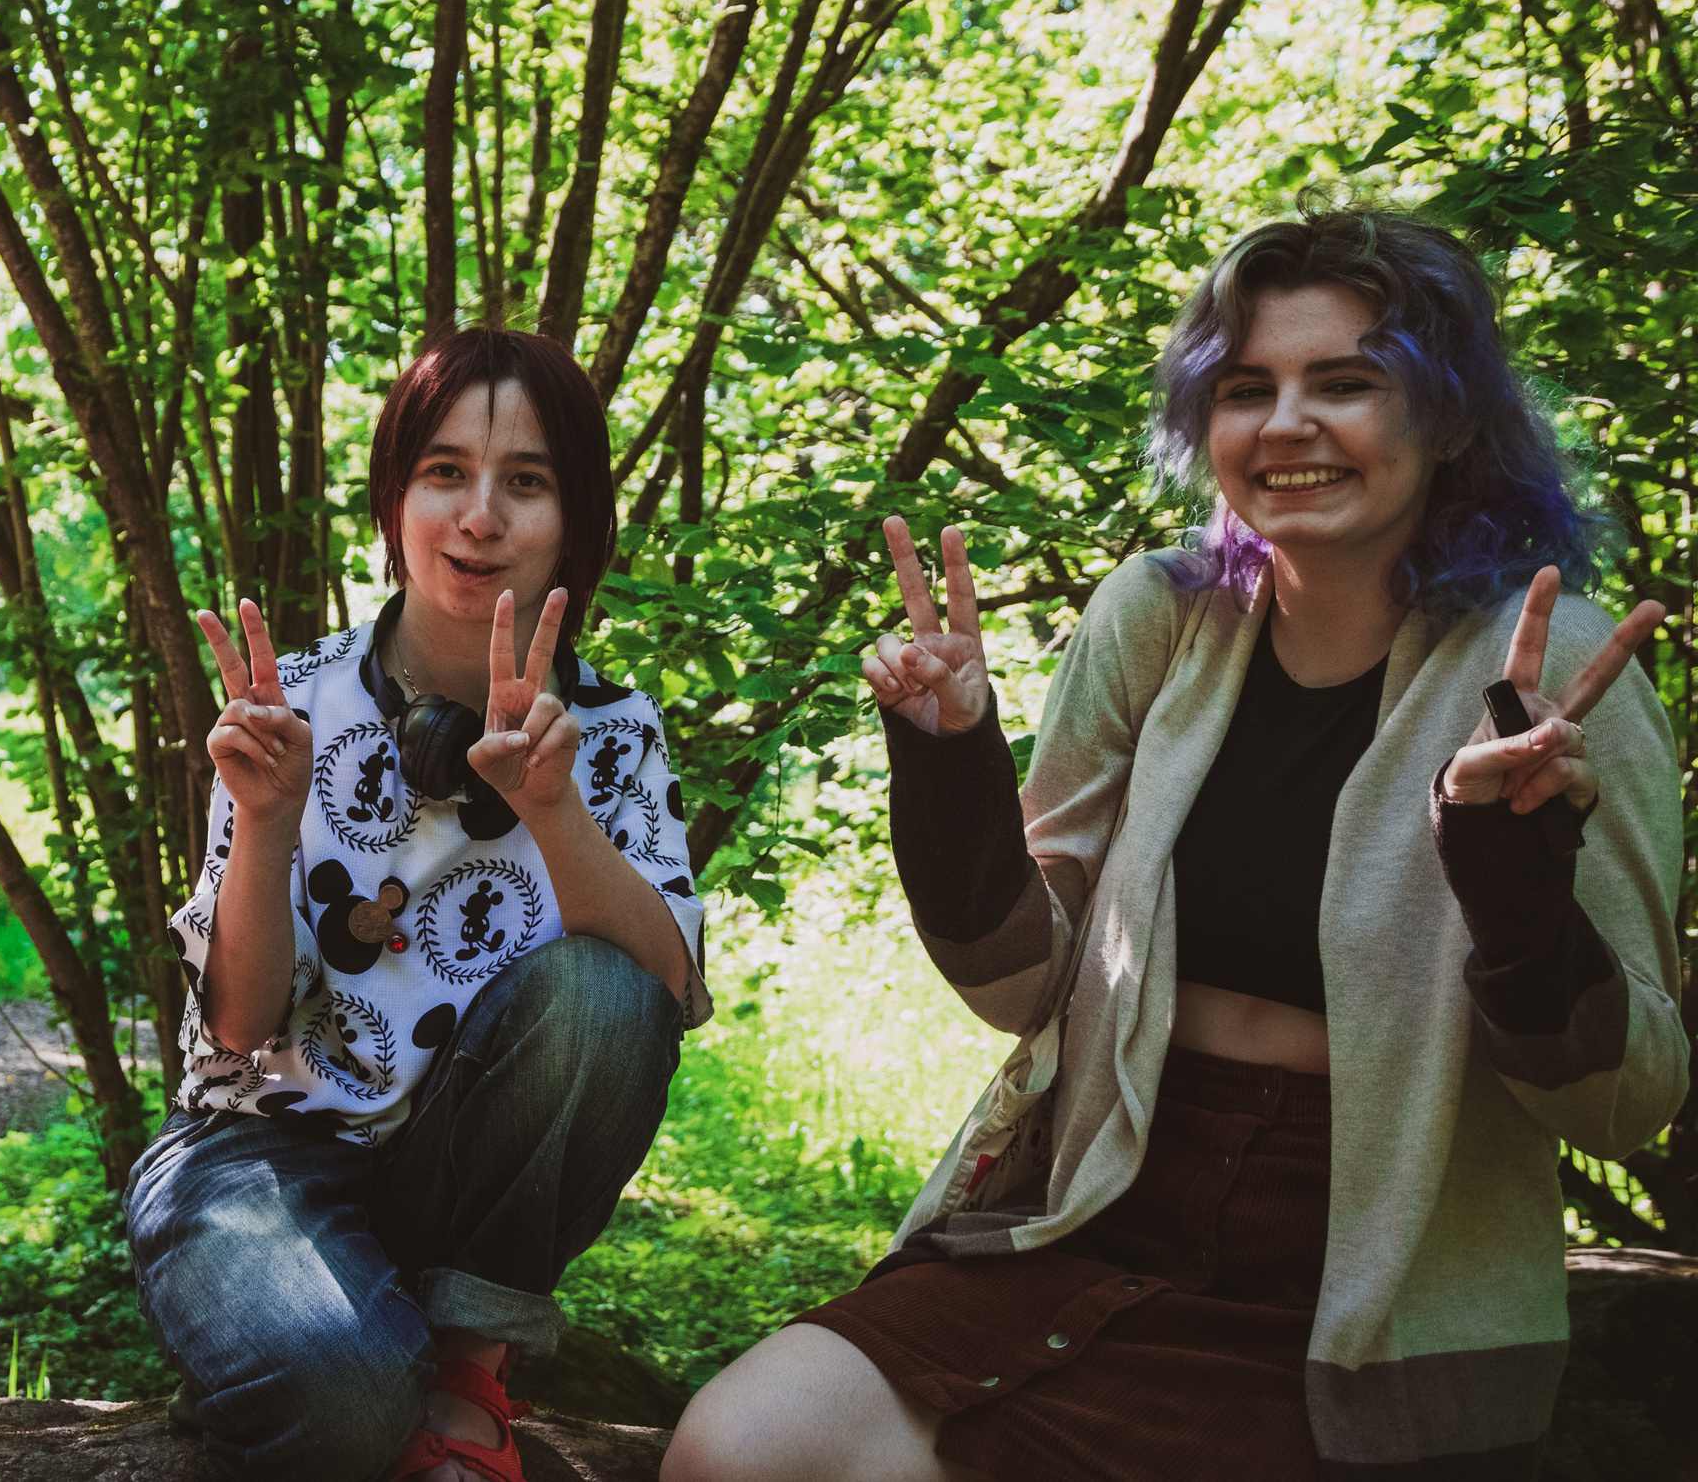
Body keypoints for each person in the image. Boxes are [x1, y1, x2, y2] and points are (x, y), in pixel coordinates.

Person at [664, 210, 1684, 1482]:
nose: (1286, 424)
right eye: (1247, 388)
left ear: (1451, 419)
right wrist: (947, 756)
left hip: (1362, 1282)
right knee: (734, 1449)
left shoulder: (1556, 671)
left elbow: (1620, 1105)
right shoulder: (1159, 618)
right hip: (1094, 1202)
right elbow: (1018, 988)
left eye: (1348, 384)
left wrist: (1514, 884)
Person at [124, 326, 714, 1482]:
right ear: (396, 498)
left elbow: (664, 995)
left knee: (602, 992)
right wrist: (269, 819)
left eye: (525, 482)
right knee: (341, 1403)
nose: (478, 516)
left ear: (576, 522)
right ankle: (363, 1375)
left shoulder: (614, 732)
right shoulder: (286, 704)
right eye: (443, 471)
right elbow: (236, 1030)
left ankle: (460, 1366)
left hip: (455, 1182)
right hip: (258, 1159)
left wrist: (555, 812)